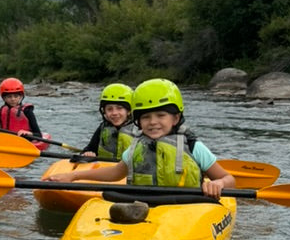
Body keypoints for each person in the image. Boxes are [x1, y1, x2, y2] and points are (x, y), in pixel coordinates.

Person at [43, 78, 236, 199]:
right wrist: (74, 176)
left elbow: (229, 179)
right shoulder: (137, 146)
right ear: (137, 120)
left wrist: (218, 183)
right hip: (142, 205)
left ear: (175, 118)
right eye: (145, 117)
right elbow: (116, 173)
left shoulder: (193, 146)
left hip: (186, 206)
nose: (153, 122)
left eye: (161, 115)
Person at [80, 83, 135, 160]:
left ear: (129, 111)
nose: (114, 113)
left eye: (119, 108)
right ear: (104, 111)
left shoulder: (139, 130)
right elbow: (89, 149)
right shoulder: (103, 127)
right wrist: (88, 153)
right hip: (105, 168)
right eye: (109, 109)